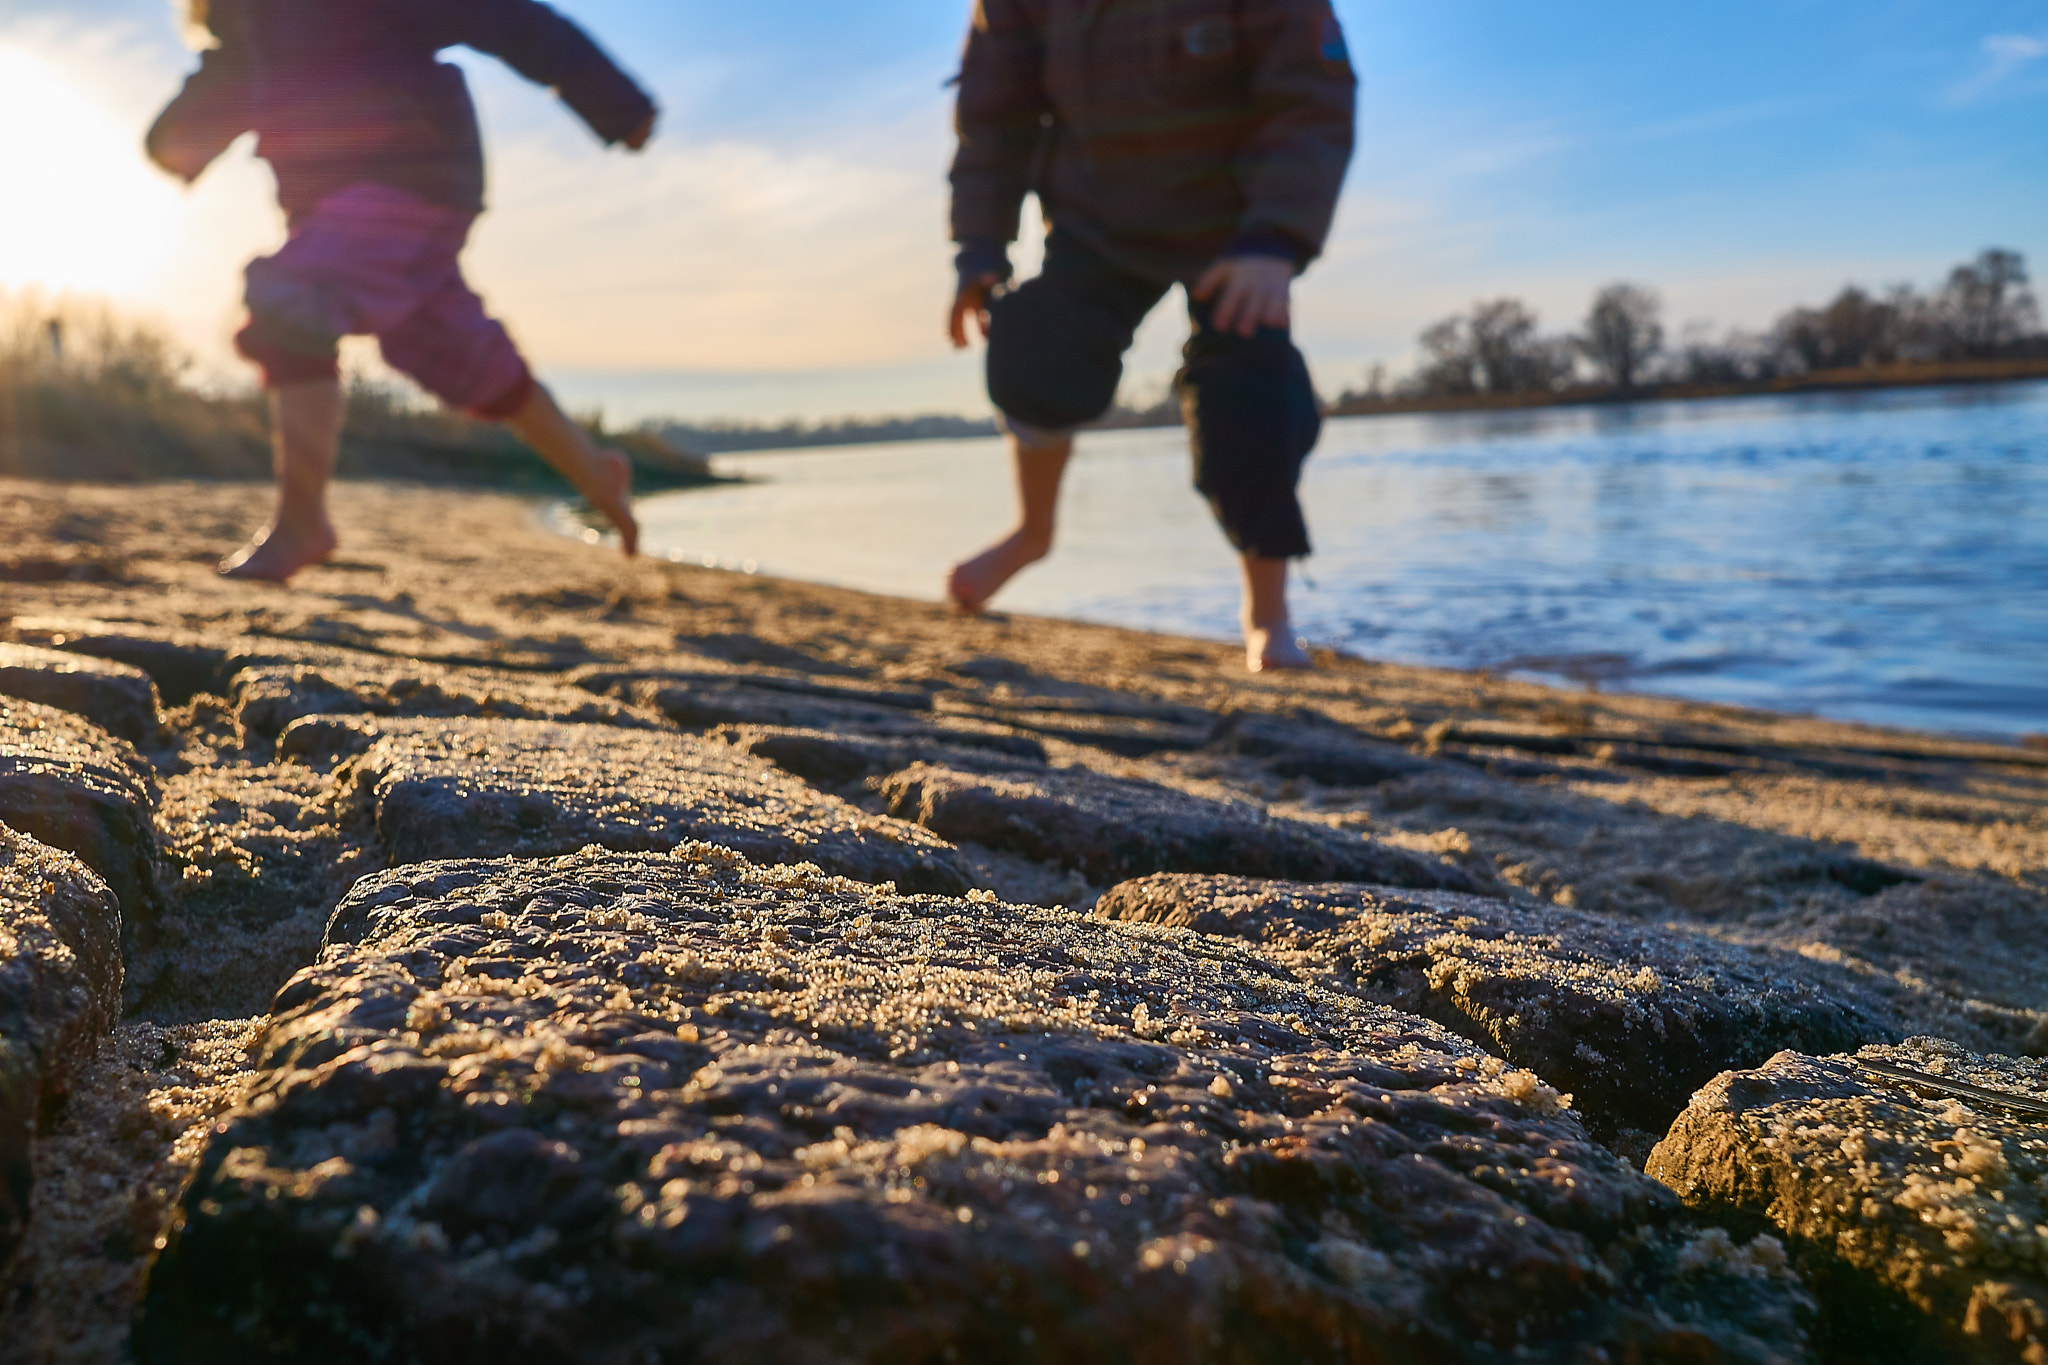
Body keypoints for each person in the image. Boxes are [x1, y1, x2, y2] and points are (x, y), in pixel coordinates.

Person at [146, 0, 655, 582]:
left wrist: (618, 106)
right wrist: (173, 142)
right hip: (338, 207)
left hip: (410, 174)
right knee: (458, 352)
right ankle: (596, 473)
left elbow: (510, 17)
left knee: (292, 297)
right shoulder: (246, 23)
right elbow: (227, 82)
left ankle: (301, 522)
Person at [946, 0, 1355, 672]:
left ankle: (1267, 616)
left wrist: (1276, 239)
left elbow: (1309, 96)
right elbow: (993, 114)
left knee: (1252, 394)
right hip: (1096, 215)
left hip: (1236, 224)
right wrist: (980, 245)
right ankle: (1032, 532)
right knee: (1035, 350)